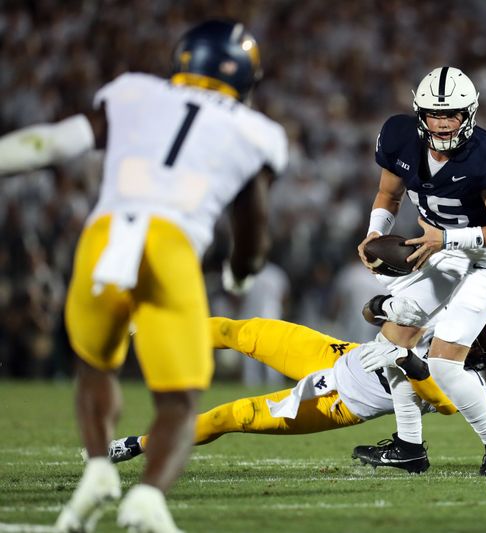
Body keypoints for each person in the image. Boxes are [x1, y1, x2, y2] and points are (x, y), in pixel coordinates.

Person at [0, 19, 288, 533]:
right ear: (247, 77)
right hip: (171, 245)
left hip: (105, 235)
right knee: (178, 399)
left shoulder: (134, 91)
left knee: (95, 365)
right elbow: (253, 233)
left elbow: (50, 145)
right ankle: (148, 498)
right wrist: (240, 276)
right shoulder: (258, 131)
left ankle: (97, 468)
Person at [105, 302, 486, 477]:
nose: (471, 341)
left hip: (338, 402)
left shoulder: (469, 382)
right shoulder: (446, 320)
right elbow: (384, 314)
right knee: (242, 330)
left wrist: (409, 361)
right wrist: (382, 307)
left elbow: (444, 404)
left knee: (227, 417)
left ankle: (139, 444)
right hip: (336, 355)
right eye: (477, 332)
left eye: (483, 343)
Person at [356, 66, 486, 476]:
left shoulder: (484, 154)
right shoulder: (399, 137)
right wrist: (374, 233)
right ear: (420, 113)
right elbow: (388, 193)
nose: (444, 122)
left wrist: (447, 239)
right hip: (442, 248)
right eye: (435, 113)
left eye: (452, 114)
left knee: (445, 366)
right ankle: (410, 449)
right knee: (391, 343)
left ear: (469, 114)